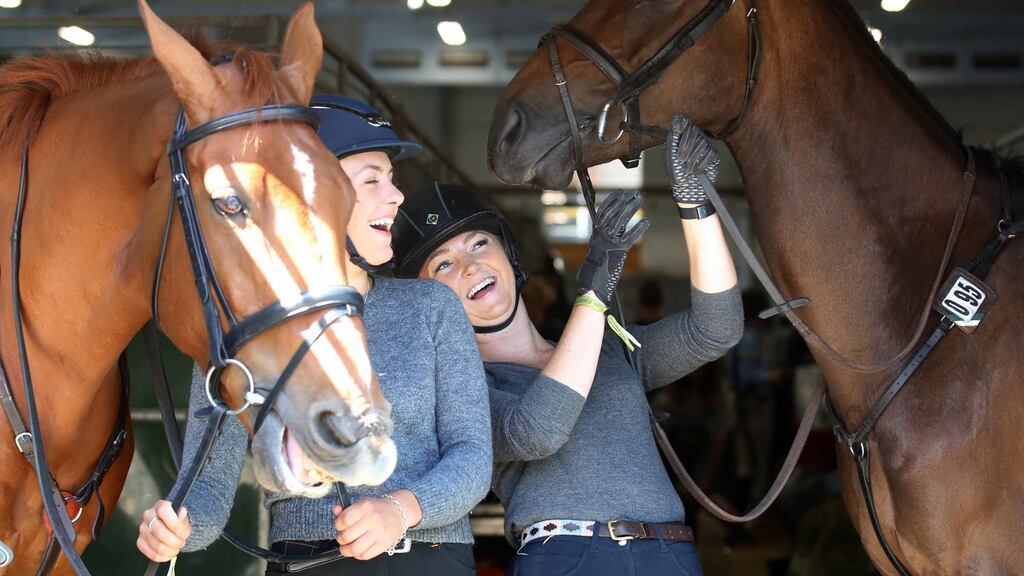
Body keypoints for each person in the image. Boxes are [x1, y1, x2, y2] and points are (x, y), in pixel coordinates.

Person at [135, 95, 492, 576]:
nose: (397, 195)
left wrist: (400, 510)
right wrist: (174, 527)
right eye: (373, 180)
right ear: (318, 192)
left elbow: (472, 455)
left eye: (391, 179)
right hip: (307, 564)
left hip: (427, 560)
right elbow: (208, 487)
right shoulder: (242, 327)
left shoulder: (430, 307)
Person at [390, 115, 743, 575]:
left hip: (668, 553)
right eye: (442, 265)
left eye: (479, 243)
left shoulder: (607, 349)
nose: (470, 265)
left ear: (509, 256)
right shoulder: (462, 390)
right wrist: (593, 296)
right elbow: (536, 431)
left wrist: (696, 205)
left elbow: (716, 328)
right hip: (569, 559)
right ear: (426, 299)